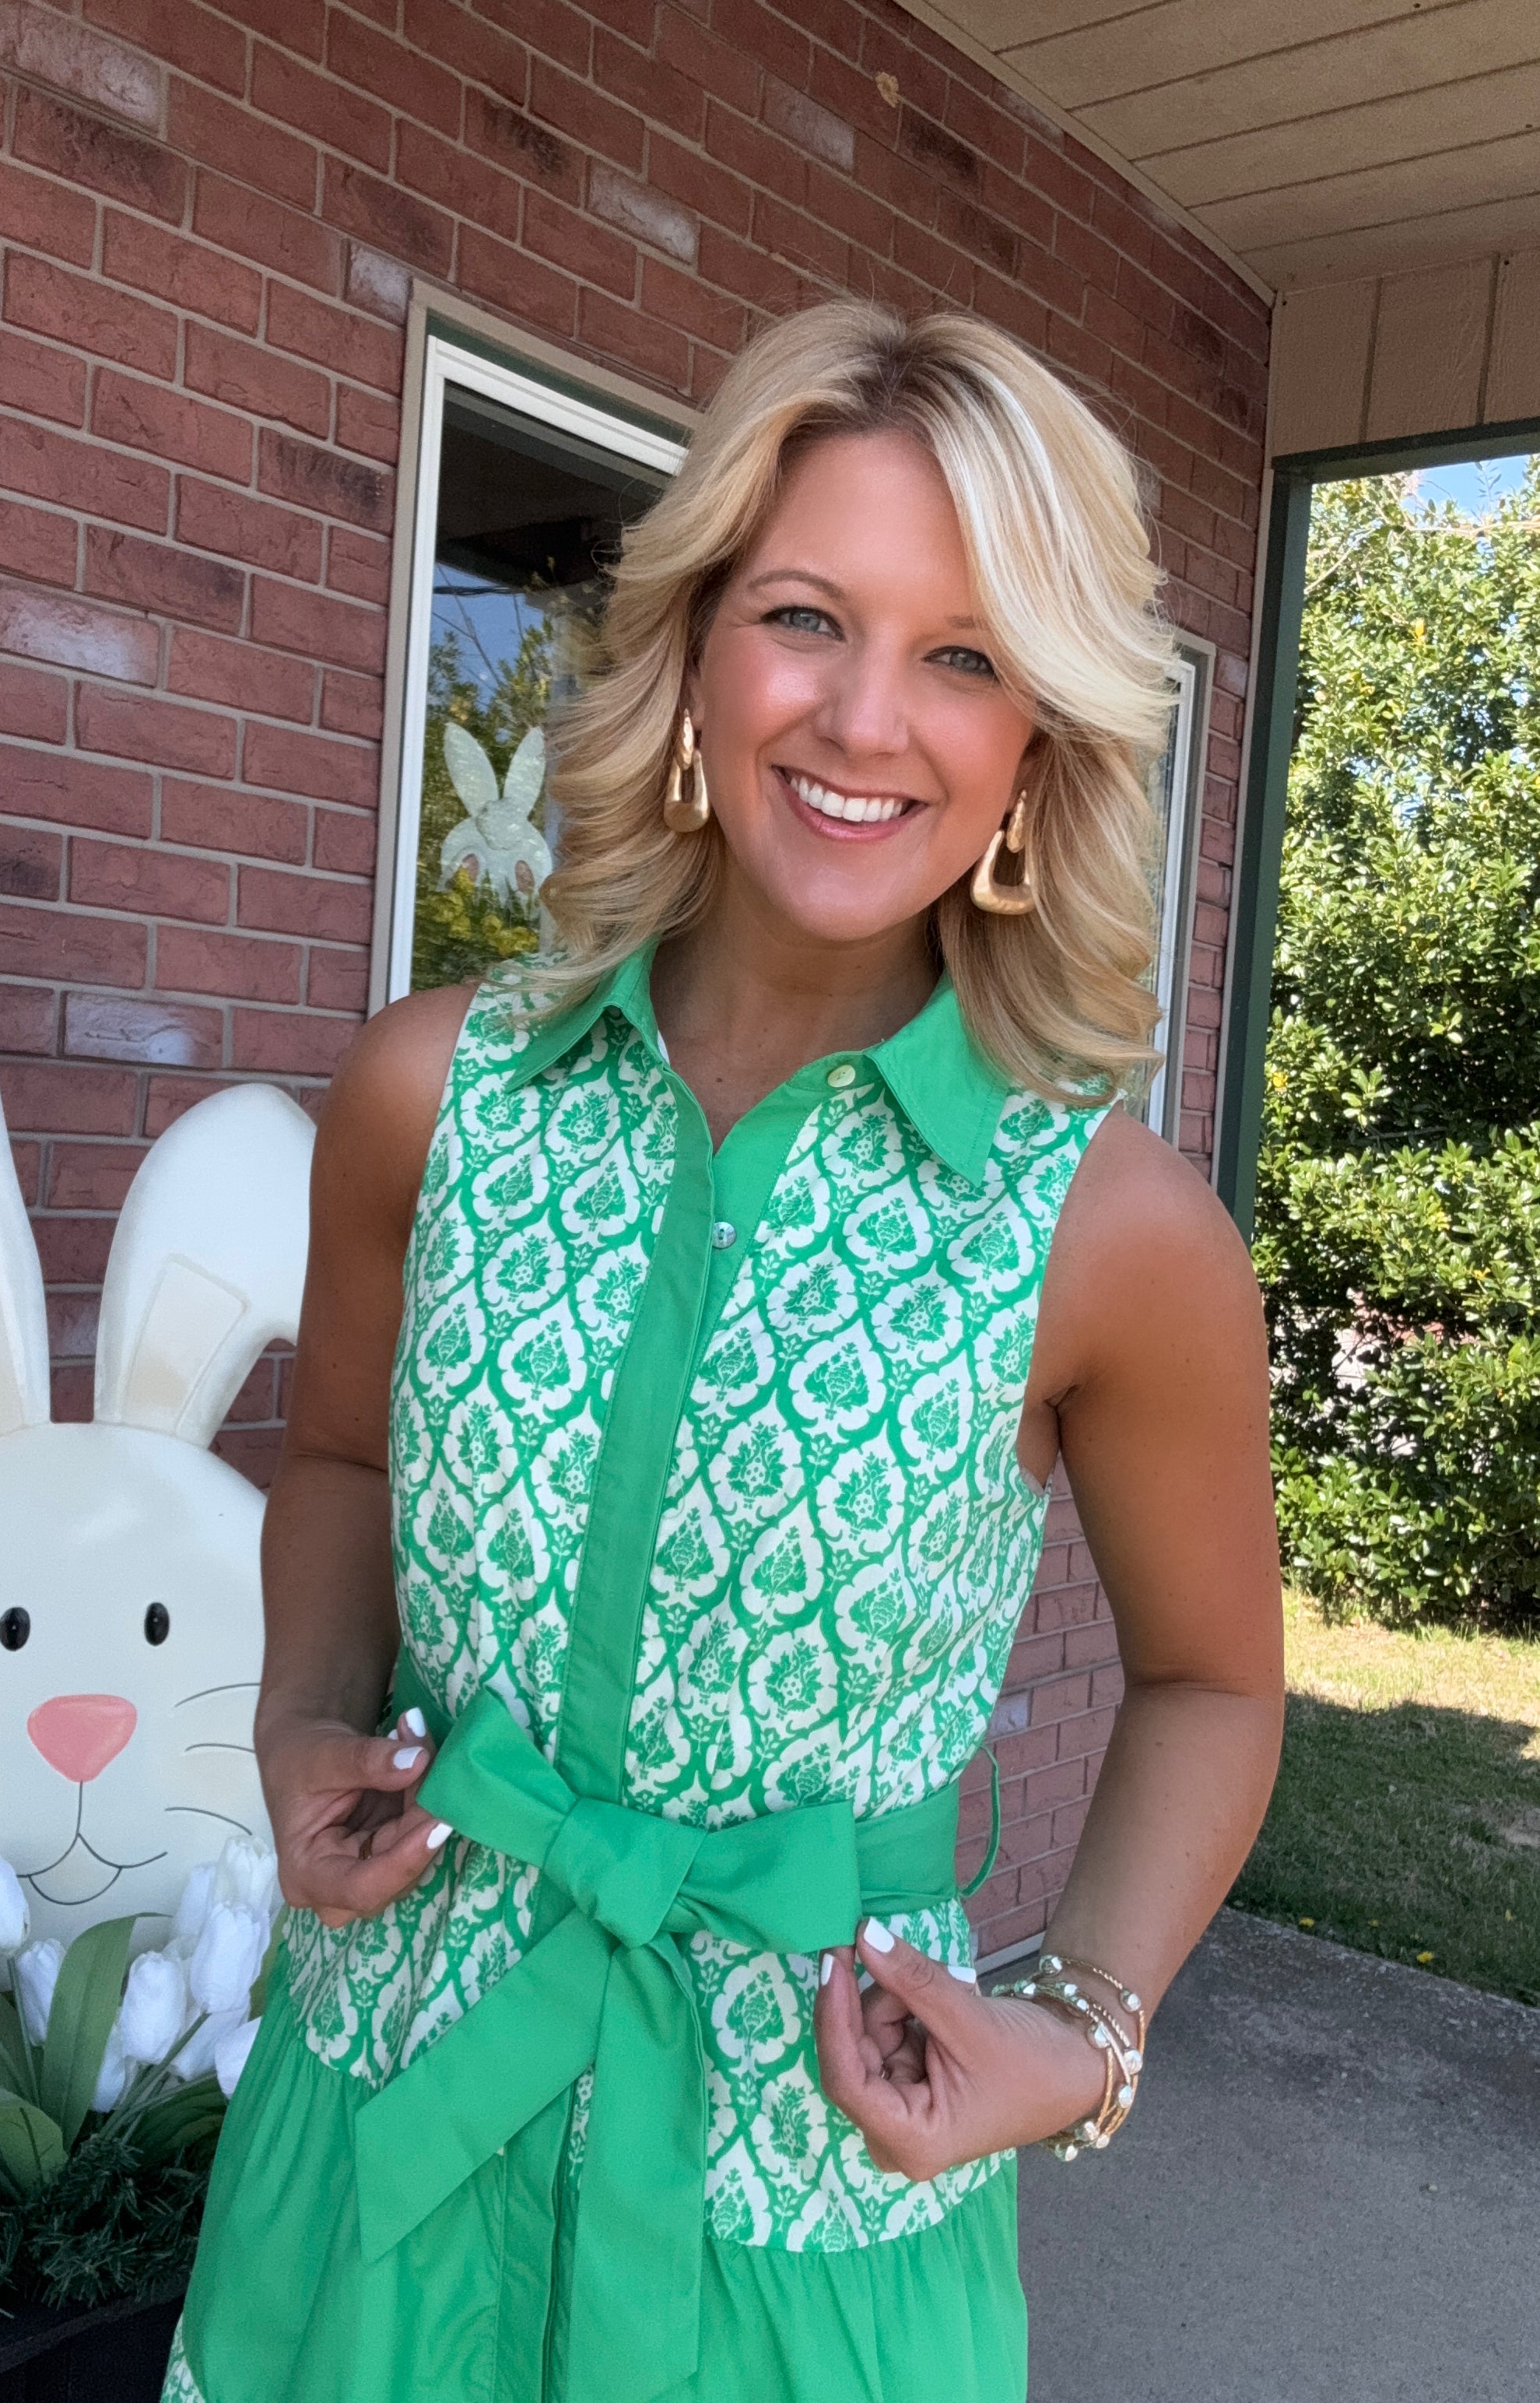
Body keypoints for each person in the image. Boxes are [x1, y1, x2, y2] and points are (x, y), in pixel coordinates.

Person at [167, 300, 1283, 2403]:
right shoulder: (433, 1094)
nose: (866, 718)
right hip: (389, 2129)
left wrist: (1084, 2030)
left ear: (1038, 741)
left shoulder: (1114, 1236)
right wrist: (304, 1717)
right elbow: (337, 1462)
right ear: (690, 646)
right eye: (803, 618)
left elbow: (1214, 1684)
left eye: (964, 657)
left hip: (806, 2220)